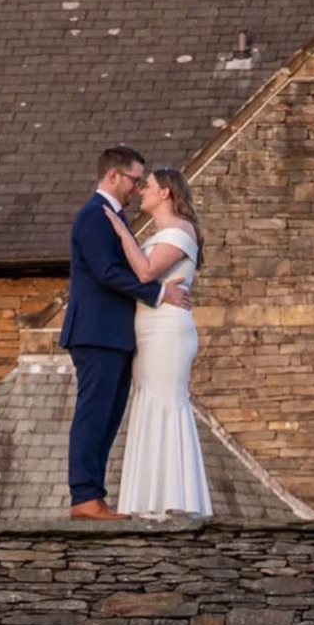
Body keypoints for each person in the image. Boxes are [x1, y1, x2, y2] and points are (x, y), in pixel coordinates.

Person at [61, 146, 188, 519]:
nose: (136, 189)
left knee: (109, 415)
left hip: (113, 334)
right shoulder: (94, 217)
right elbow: (106, 273)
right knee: (94, 414)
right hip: (95, 332)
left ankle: (93, 495)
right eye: (134, 180)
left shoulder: (112, 217)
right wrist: (159, 292)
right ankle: (85, 497)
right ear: (113, 176)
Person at [104, 167, 213, 517]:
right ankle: (148, 500)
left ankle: (176, 499)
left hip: (168, 332)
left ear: (165, 193)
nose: (141, 192)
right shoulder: (163, 231)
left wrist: (122, 231)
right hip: (149, 331)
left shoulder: (181, 231)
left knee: (166, 403)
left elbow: (147, 272)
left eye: (147, 186)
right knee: (148, 403)